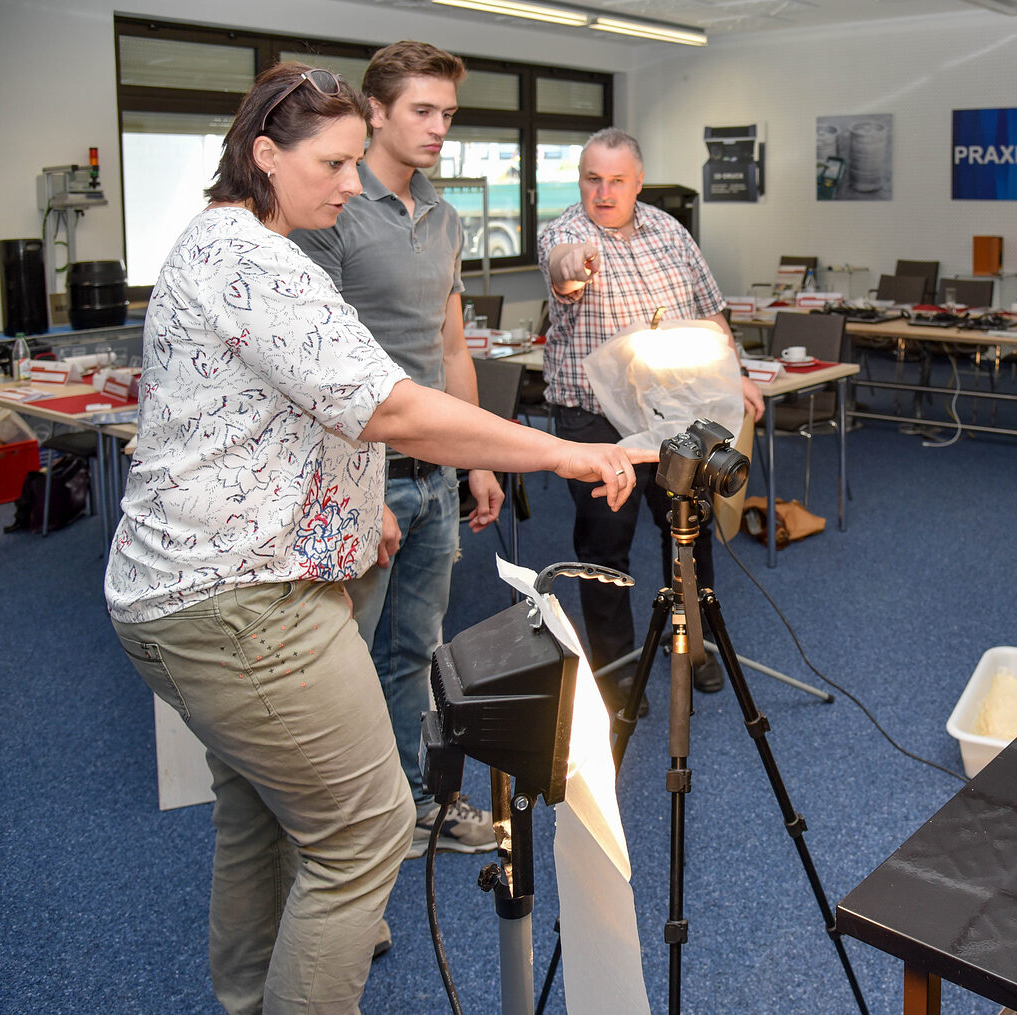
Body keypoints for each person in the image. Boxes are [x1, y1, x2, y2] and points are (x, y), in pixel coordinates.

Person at [104, 63, 649, 1015]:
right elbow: (397, 408)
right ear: (264, 155)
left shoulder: (218, 239)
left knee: (261, 812)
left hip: (181, 592)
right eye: (334, 163)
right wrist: (558, 454)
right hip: (244, 605)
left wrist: (360, 505)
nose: (351, 185)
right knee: (365, 831)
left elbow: (281, 410)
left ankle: (249, 996)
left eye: (359, 163)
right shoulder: (260, 263)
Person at [291, 41, 498, 859]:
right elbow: (310, 370)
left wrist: (477, 457)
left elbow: (450, 349)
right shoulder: (333, 212)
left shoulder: (444, 217)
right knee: (342, 666)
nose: (439, 126)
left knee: (417, 650)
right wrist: (356, 489)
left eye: (448, 112)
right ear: (375, 111)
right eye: (422, 109)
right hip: (358, 477)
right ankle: (346, 829)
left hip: (434, 477)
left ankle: (415, 807)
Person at [539, 127, 764, 707]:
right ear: (580, 181)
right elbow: (562, 265)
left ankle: (691, 644)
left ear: (638, 183)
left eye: (617, 181)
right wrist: (576, 265)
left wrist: (733, 374)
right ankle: (615, 666)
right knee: (605, 543)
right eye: (593, 179)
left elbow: (709, 310)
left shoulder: (669, 230)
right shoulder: (567, 232)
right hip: (593, 417)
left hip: (674, 413)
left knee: (688, 529)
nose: (604, 192)